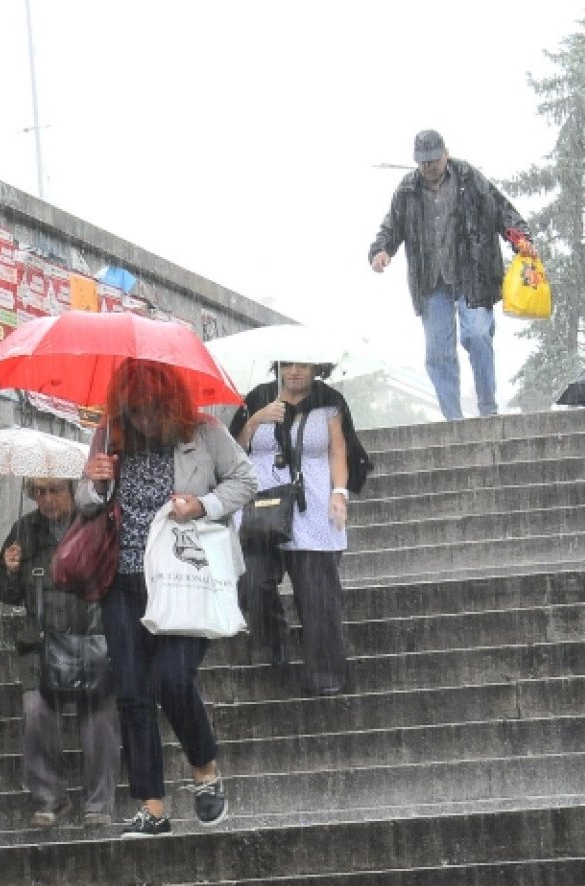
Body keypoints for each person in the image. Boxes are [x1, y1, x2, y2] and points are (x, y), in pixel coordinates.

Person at [80, 360, 257, 837]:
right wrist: (94, 480)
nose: (145, 419)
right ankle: (152, 807)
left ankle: (204, 769)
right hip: (123, 580)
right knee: (134, 693)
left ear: (172, 402)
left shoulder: (205, 431)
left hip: (186, 579)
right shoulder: (110, 436)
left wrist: (202, 505)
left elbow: (246, 479)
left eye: (154, 408)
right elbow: (85, 502)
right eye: (135, 410)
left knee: (172, 678)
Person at [369, 129, 535, 420]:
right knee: (438, 354)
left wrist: (519, 237)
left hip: (473, 275)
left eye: (433, 160)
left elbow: (499, 208)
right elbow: (391, 225)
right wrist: (381, 250)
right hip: (431, 282)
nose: (428, 167)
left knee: (479, 334)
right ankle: (453, 420)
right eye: (422, 162)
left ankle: (488, 409)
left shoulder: (469, 178)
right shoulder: (407, 189)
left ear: (446, 153)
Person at [229, 361, 371, 694]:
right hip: (262, 508)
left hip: (313, 508)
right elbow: (233, 450)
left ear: (315, 369)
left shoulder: (329, 402)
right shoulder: (258, 397)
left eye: (303, 366)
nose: (295, 372)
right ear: (277, 366)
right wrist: (255, 420)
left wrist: (339, 493)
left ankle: (325, 675)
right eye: (288, 365)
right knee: (252, 583)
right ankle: (274, 645)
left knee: (318, 594)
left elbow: (339, 451)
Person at [0, 477, 119, 828]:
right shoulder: (24, 529)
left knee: (98, 718)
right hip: (41, 644)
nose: (47, 500)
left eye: (55, 491)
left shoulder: (97, 522)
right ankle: (50, 798)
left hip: (92, 638)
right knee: (36, 712)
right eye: (39, 492)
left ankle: (99, 803)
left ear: (71, 490)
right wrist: (9, 569)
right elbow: (6, 593)